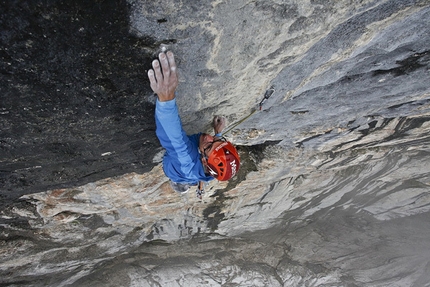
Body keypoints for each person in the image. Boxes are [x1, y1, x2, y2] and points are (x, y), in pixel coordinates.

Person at [147, 51, 240, 196]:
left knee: (185, 179)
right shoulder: (212, 171)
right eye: (218, 141)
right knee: (196, 179)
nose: (209, 137)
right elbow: (211, 167)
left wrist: (166, 97)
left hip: (174, 172)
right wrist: (218, 134)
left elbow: (173, 137)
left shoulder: (186, 159)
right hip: (195, 175)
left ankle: (181, 183)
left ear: (204, 161)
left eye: (209, 145)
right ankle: (193, 184)